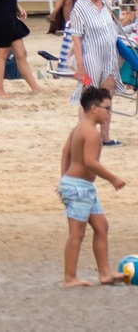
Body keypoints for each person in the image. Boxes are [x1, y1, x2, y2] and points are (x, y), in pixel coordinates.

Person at [58, 86, 126, 286]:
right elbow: (90, 162)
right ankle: (69, 277)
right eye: (107, 108)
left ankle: (105, 273)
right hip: (78, 187)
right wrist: (113, 178)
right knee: (77, 233)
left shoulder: (79, 127)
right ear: (94, 109)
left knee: (101, 226)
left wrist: (63, 179)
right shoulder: (91, 133)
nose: (109, 113)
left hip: (83, 187)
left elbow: (65, 153)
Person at [68, 0, 122, 146]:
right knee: (88, 97)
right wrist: (80, 64)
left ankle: (105, 137)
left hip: (109, 55)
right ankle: (84, 137)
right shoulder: (80, 7)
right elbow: (76, 37)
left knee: (107, 95)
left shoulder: (104, 3)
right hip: (90, 54)